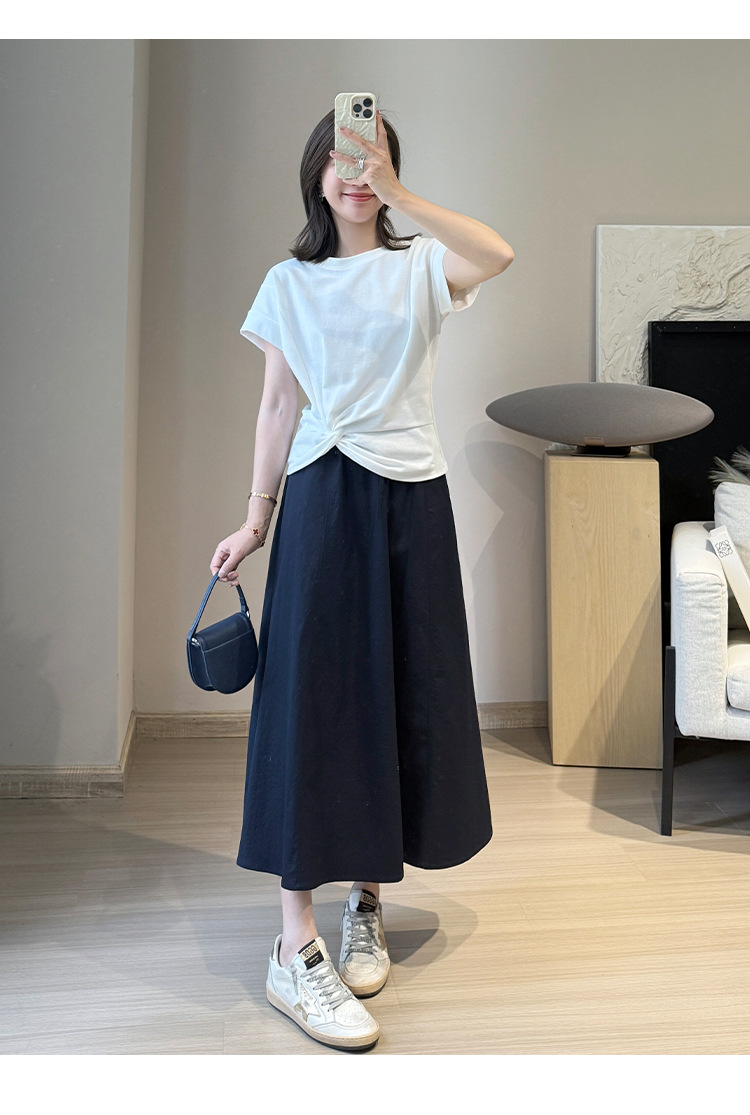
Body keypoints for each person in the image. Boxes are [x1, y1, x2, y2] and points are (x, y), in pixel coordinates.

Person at [210, 104, 514, 1052]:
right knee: (311, 706)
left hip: (409, 501)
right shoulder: (288, 282)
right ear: (315, 172)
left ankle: (366, 898)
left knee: (392, 695)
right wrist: (255, 520)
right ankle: (293, 942)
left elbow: (498, 253)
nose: (352, 172)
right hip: (320, 501)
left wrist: (399, 193)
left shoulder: (420, 265)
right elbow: (277, 405)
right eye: (339, 158)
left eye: (368, 157)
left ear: (384, 166)